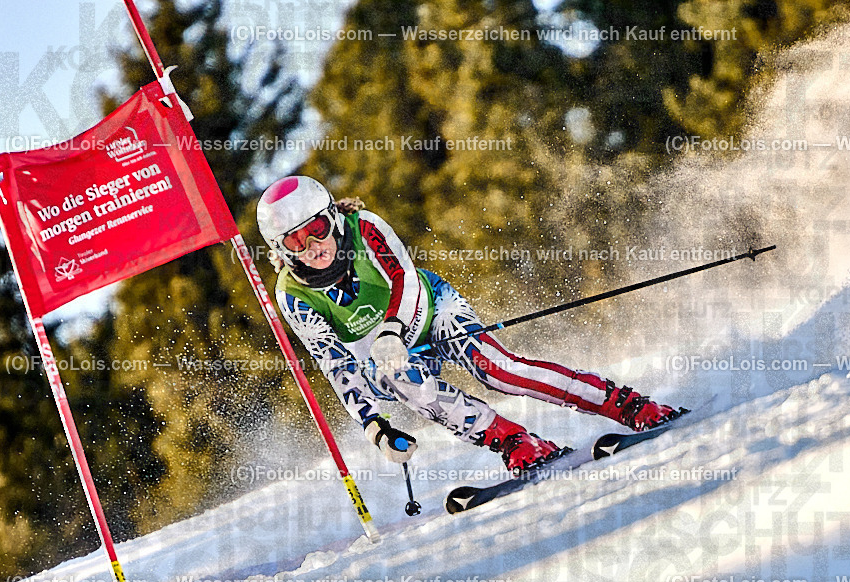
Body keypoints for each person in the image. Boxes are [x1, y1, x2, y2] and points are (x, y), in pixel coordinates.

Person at [257, 176, 676, 474]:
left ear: (332, 217)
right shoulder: (292, 295)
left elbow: (404, 278)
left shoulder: (364, 227)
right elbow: (334, 362)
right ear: (281, 248)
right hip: (386, 358)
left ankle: (625, 404)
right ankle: (516, 442)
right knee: (407, 381)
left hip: (431, 310)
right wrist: (374, 426)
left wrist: (391, 329)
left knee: (498, 370)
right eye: (296, 241)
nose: (313, 246)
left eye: (317, 229)